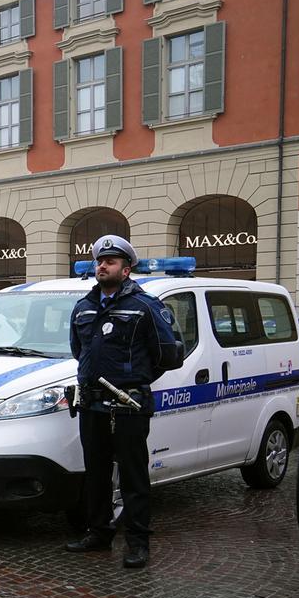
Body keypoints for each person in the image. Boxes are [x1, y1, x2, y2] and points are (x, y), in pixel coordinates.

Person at [65, 235, 180, 570]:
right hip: (92, 405)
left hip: (128, 404)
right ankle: (99, 533)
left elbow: (168, 353)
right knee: (97, 474)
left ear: (126, 269)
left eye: (110, 261)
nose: (102, 266)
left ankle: (137, 542)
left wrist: (133, 379)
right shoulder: (84, 306)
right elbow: (79, 350)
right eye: (100, 261)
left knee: (132, 476)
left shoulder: (145, 306)